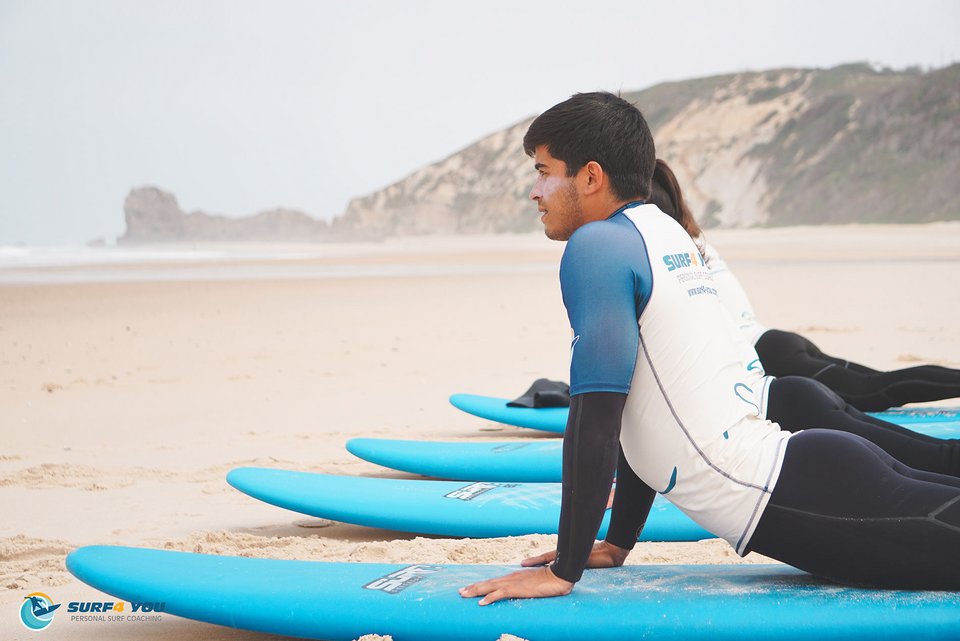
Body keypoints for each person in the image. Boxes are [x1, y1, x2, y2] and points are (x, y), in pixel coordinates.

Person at [459, 92, 960, 606]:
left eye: (544, 171)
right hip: (817, 473)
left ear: (590, 177)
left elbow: (596, 417)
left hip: (801, 495)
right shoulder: (663, 233)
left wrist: (564, 569)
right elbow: (639, 408)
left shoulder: (596, 248)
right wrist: (616, 543)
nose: (535, 191)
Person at [647, 158, 960, 477]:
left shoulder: (663, 251)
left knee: (877, 390)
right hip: (774, 342)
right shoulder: (694, 242)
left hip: (771, 358)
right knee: (877, 385)